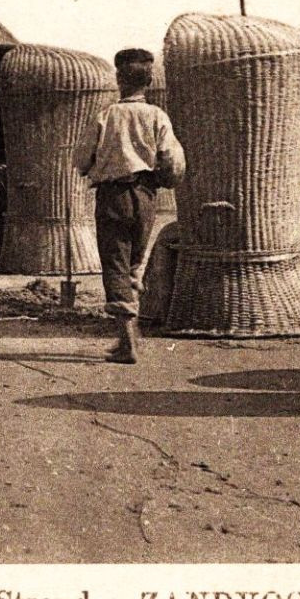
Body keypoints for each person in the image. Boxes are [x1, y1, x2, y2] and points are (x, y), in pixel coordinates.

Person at [76, 48, 185, 364]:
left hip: (113, 197)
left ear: (119, 79)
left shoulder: (106, 115)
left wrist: (97, 165)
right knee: (134, 262)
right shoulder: (157, 116)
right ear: (148, 82)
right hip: (146, 197)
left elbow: (81, 160)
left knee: (115, 266)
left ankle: (127, 344)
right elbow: (173, 162)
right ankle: (129, 336)